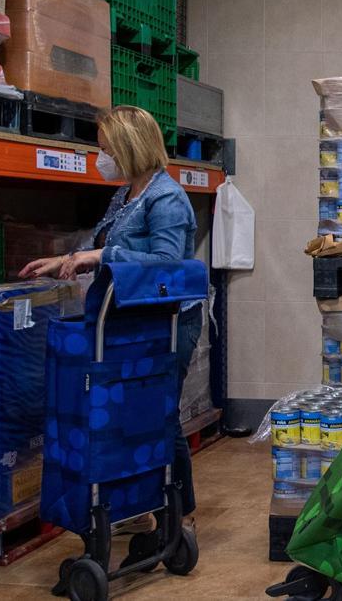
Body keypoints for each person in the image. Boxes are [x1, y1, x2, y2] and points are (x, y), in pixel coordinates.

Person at [20, 106, 202, 543]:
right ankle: (137, 504)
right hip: (127, 320)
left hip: (168, 323)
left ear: (129, 147)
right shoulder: (125, 195)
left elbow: (167, 262)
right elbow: (100, 245)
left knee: (160, 414)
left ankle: (179, 512)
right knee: (127, 414)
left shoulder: (166, 198)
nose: (100, 158)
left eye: (106, 149)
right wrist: (66, 260)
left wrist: (101, 256)